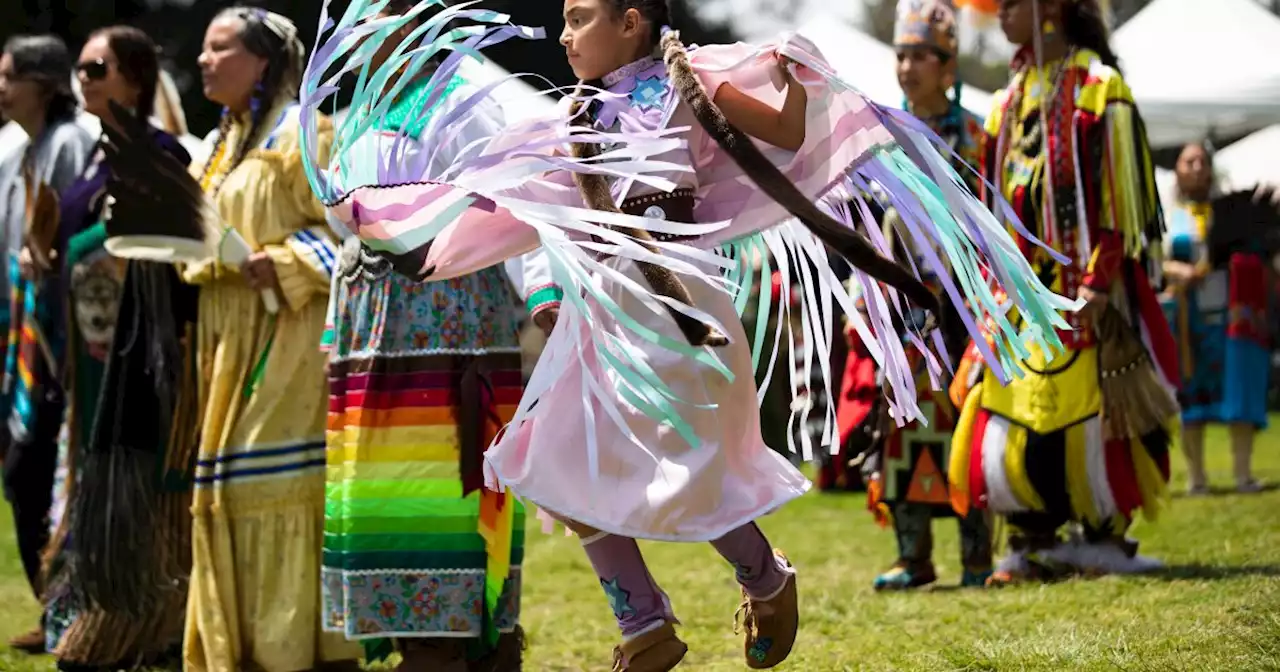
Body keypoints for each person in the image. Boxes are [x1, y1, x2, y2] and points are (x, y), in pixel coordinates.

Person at [298, 0, 1072, 668]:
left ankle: (764, 576)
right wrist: (402, 218)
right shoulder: (572, 114)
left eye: (577, 19)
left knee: (688, 468)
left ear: (630, 22)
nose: (562, 36)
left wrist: (793, 67)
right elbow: (509, 196)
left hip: (677, 310)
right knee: (552, 464)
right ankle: (645, 624)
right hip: (601, 314)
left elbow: (790, 129)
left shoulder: (685, 84)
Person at [318, 2, 529, 670]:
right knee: (385, 493)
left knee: (445, 485)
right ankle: (416, 638)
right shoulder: (364, 109)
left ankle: (455, 641)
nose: (378, 21)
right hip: (374, 333)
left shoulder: (461, 101)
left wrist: (547, 297)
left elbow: (508, 202)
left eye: (395, 7)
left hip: (447, 333)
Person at [946, 0, 1180, 585]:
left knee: (1091, 413)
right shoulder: (1005, 104)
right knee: (1012, 410)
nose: (999, 16)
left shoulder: (1100, 91)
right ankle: (1032, 538)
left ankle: (1101, 538)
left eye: (1010, 5)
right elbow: (996, 212)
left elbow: (1117, 203)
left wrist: (1100, 283)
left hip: (1085, 292)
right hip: (1021, 298)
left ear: (1048, 7)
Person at [181, 8, 358, 671]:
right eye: (202, 48)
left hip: (289, 331)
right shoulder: (218, 146)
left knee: (266, 483)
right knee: (226, 485)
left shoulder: (306, 132)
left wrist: (282, 262)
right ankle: (245, 647)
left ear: (261, 61)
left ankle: (302, 647)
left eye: (220, 48)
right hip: (224, 334)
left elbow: (349, 231)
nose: (205, 59)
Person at [35, 25, 198, 670]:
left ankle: (146, 620)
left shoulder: (160, 154)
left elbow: (172, 252)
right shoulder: (102, 157)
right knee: (92, 477)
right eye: (79, 68)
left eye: (97, 67)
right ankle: (87, 612)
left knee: (140, 483)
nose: (84, 78)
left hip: (143, 355)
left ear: (133, 76)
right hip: (91, 352)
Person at [843, 0, 993, 591]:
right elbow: (862, 217)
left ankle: (977, 557)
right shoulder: (881, 132)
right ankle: (915, 556)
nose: (906, 67)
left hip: (963, 306)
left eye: (919, 57)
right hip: (900, 303)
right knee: (902, 420)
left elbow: (993, 222)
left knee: (966, 420)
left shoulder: (976, 137)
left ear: (947, 66)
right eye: (900, 55)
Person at [0, 33, 95, 654]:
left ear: (45, 81)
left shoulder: (72, 143)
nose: (1, 87)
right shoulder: (21, 150)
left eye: (9, 76)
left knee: (47, 477)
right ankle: (53, 607)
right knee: (22, 476)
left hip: (63, 344)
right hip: (22, 339)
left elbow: (76, 247)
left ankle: (73, 612)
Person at [1161, 140, 1275, 495]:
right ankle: (1197, 478)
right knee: (1190, 394)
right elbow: (1150, 258)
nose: (1196, 167)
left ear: (1210, 169)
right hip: (1185, 316)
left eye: (1201, 161)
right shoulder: (1165, 214)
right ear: (1177, 168)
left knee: (1237, 388)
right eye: (1188, 161)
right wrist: (1177, 270)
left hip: (1230, 314)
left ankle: (1243, 474)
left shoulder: (1227, 208)